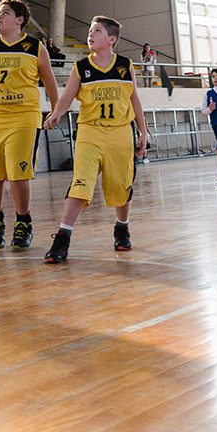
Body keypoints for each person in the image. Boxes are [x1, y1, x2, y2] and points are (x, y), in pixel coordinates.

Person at [41, 16, 147, 264]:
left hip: (120, 132)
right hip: (90, 132)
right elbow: (66, 98)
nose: (90, 35)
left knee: (121, 187)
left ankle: (122, 227)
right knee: (80, 183)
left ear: (111, 39)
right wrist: (56, 114)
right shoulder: (81, 67)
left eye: (97, 31)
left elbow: (134, 100)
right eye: (90, 31)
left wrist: (143, 130)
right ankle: (62, 238)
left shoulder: (125, 65)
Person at [0, 0, 60, 250]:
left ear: (20, 20)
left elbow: (49, 81)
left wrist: (56, 110)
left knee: (18, 173)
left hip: (23, 116)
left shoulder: (34, 47)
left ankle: (23, 222)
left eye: (6, 13)